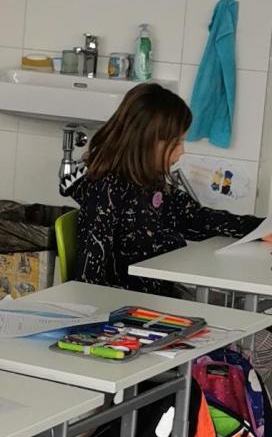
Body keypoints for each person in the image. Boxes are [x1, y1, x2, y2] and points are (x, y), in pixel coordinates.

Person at [60, 82, 264, 296]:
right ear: (146, 141)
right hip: (127, 305)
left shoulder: (149, 183)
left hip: (157, 297)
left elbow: (195, 218)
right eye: (176, 143)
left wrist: (259, 228)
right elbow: (88, 280)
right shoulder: (106, 192)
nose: (182, 151)